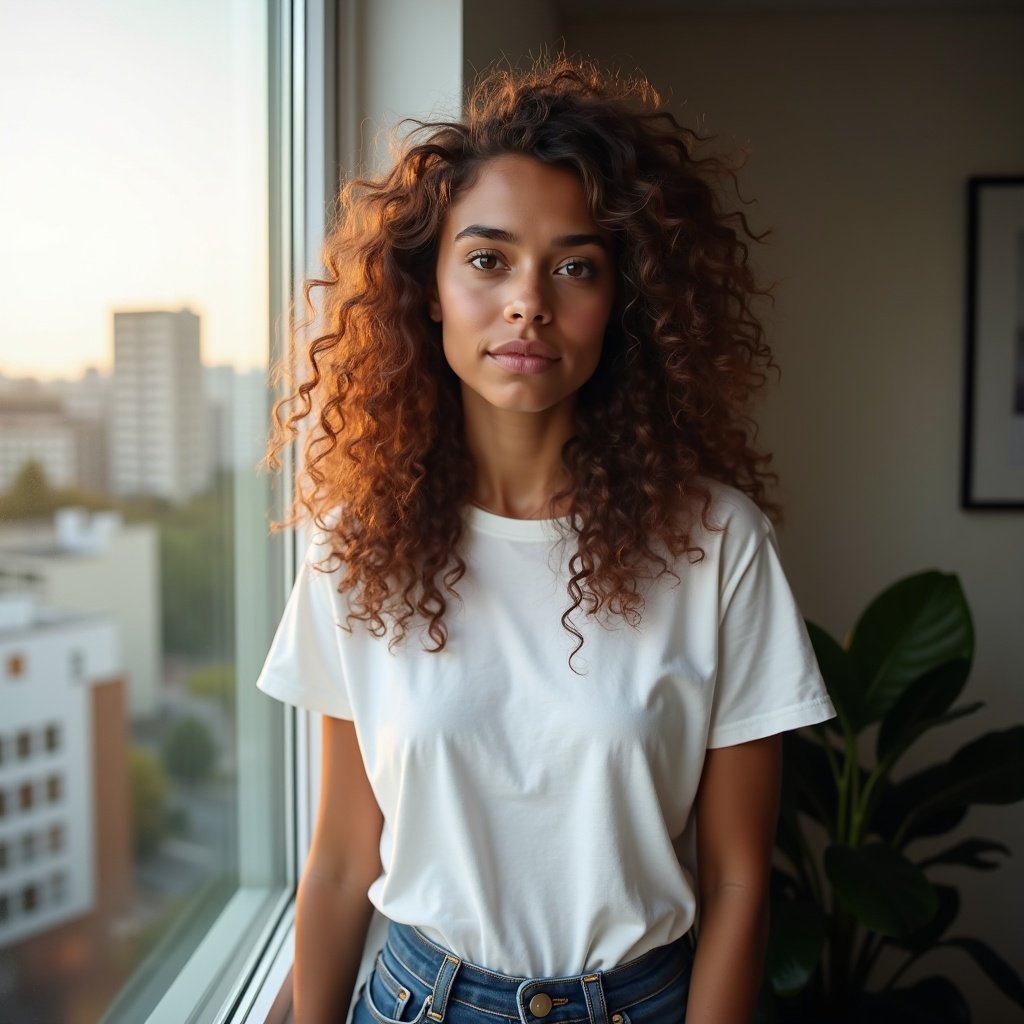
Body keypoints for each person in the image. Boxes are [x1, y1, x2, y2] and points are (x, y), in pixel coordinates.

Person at [257, 58, 835, 1024]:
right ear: (430, 289)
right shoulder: (356, 548)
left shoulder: (716, 544)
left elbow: (738, 881)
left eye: (575, 267)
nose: (529, 300)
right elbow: (343, 862)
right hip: (415, 1001)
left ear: (621, 304)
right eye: (488, 259)